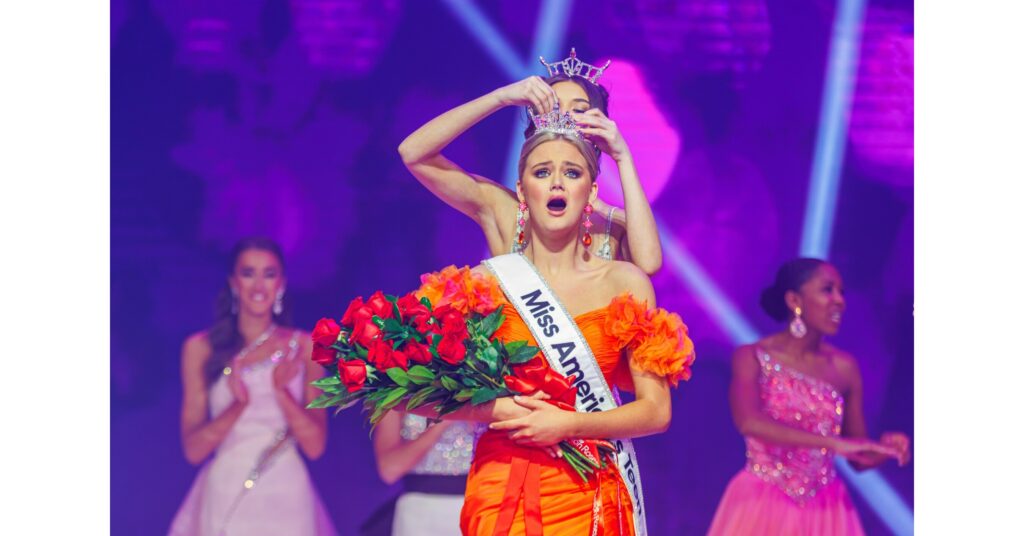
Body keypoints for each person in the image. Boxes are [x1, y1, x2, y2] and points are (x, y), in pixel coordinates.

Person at [399, 99, 695, 535]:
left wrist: (570, 423)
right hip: (505, 489)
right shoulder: (485, 285)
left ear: (591, 191)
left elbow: (655, 411)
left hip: (591, 492)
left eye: (572, 173)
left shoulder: (625, 283)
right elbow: (413, 395)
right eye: (542, 172)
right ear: (522, 191)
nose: (557, 182)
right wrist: (496, 408)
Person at [398, 48, 663, 274]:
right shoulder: (505, 211)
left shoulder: (613, 225)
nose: (566, 117)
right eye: (554, 105)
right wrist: (499, 97)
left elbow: (649, 264)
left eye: (579, 109)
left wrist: (622, 156)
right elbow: (414, 153)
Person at [707, 258, 911, 535]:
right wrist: (830, 443)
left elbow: (856, 455)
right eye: (828, 290)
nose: (839, 301)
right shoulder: (752, 356)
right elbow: (749, 423)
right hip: (761, 504)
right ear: (794, 300)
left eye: (842, 292)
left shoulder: (844, 368)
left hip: (827, 511)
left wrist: (885, 449)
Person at [169, 237, 337, 536]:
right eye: (248, 273)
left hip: (286, 490)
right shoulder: (201, 348)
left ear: (281, 283)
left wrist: (282, 393)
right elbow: (193, 450)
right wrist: (239, 405)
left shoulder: (304, 346)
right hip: (226, 487)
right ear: (234, 283)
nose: (259, 286)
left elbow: (315, 446)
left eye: (269, 274)